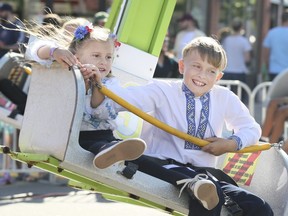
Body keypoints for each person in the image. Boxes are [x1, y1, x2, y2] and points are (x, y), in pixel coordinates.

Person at [88, 36, 273, 216]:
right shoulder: (163, 90)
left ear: (219, 77)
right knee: (209, 193)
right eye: (197, 66)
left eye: (211, 71)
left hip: (204, 173)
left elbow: (252, 129)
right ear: (182, 66)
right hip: (162, 164)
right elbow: (122, 100)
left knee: (259, 207)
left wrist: (230, 144)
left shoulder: (225, 97)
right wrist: (96, 84)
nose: (202, 75)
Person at [25, 22, 146, 169]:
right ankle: (109, 151)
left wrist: (97, 85)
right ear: (75, 57)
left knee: (144, 162)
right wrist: (54, 52)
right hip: (70, 136)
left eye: (109, 57)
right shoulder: (65, 70)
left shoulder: (110, 83)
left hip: (103, 135)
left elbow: (101, 113)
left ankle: (178, 177)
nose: (103, 62)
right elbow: (33, 50)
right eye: (96, 55)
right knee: (98, 145)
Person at [263, 10, 288, 81]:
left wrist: (267, 67)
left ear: (281, 20)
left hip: (274, 70)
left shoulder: (272, 33)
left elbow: (266, 53)